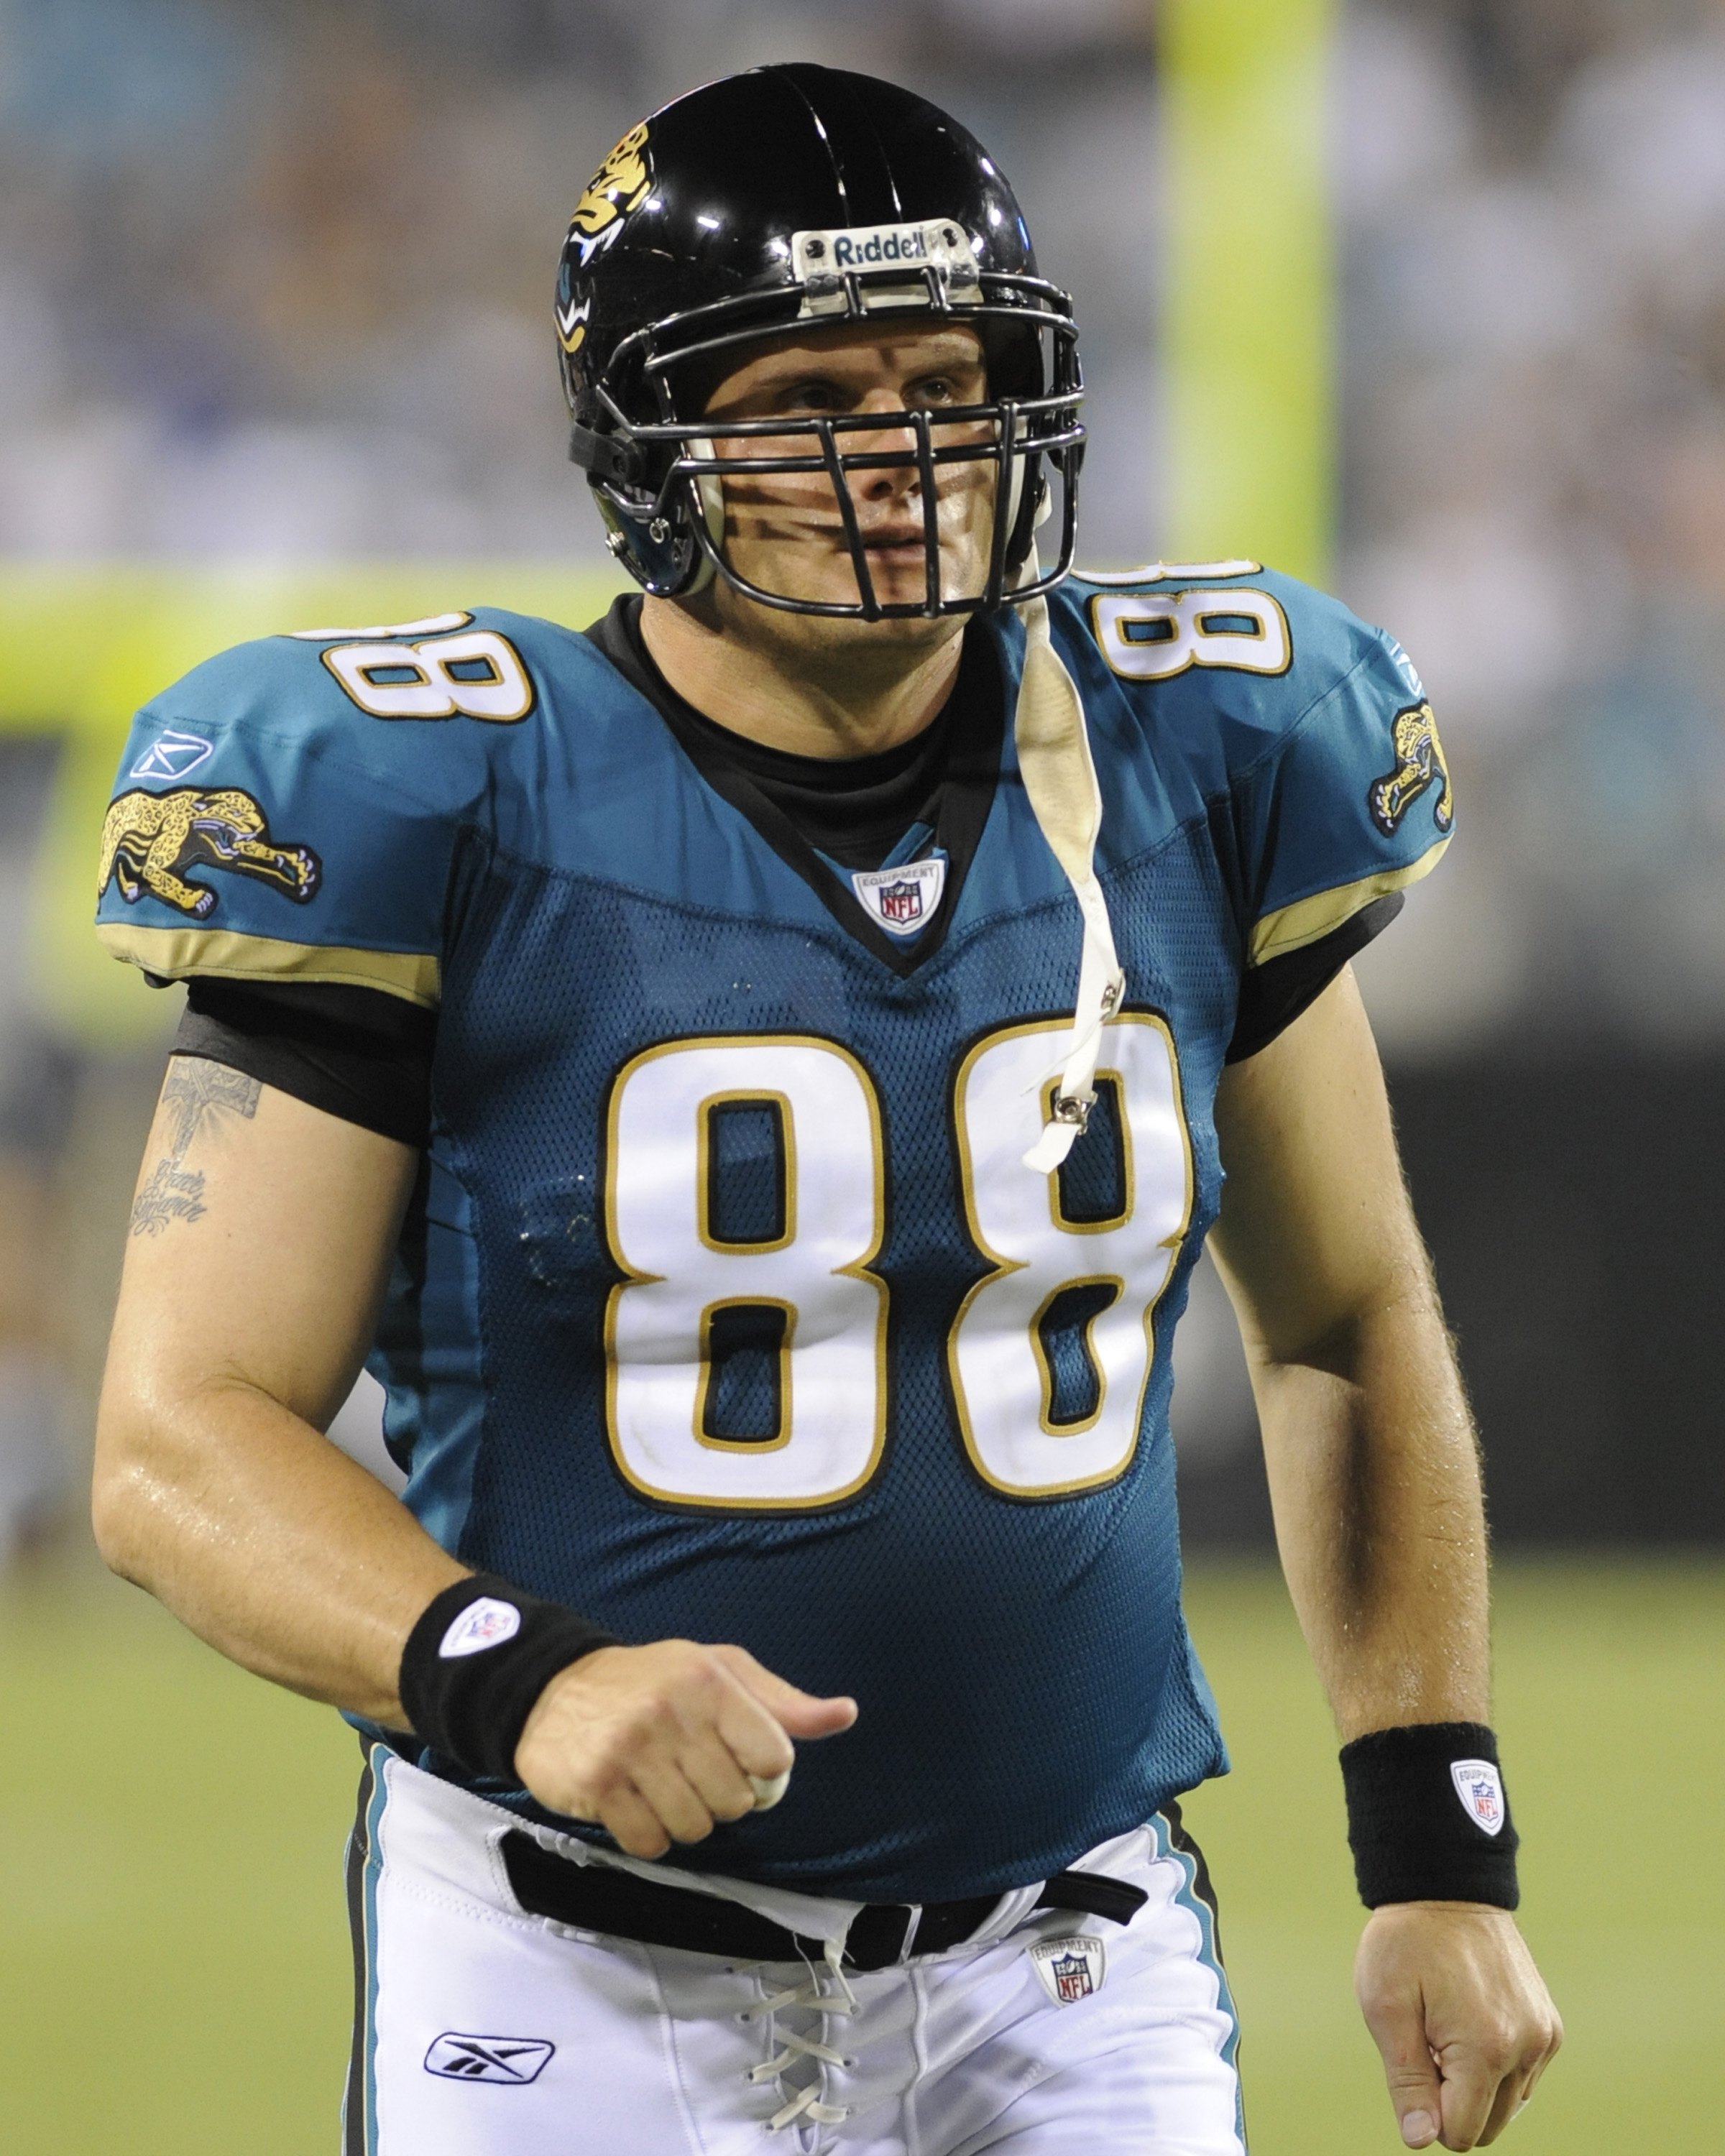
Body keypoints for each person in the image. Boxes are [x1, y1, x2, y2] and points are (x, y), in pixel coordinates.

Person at [92, 62, 1559, 2156]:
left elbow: (1347, 1320)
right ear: (649, 436)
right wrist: (526, 1673)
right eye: (807, 403)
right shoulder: (433, 794)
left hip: (1075, 1954)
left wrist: (1437, 1844)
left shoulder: (1206, 749)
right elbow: (174, 1440)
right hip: (567, 1958)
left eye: (949, 382)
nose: (902, 461)